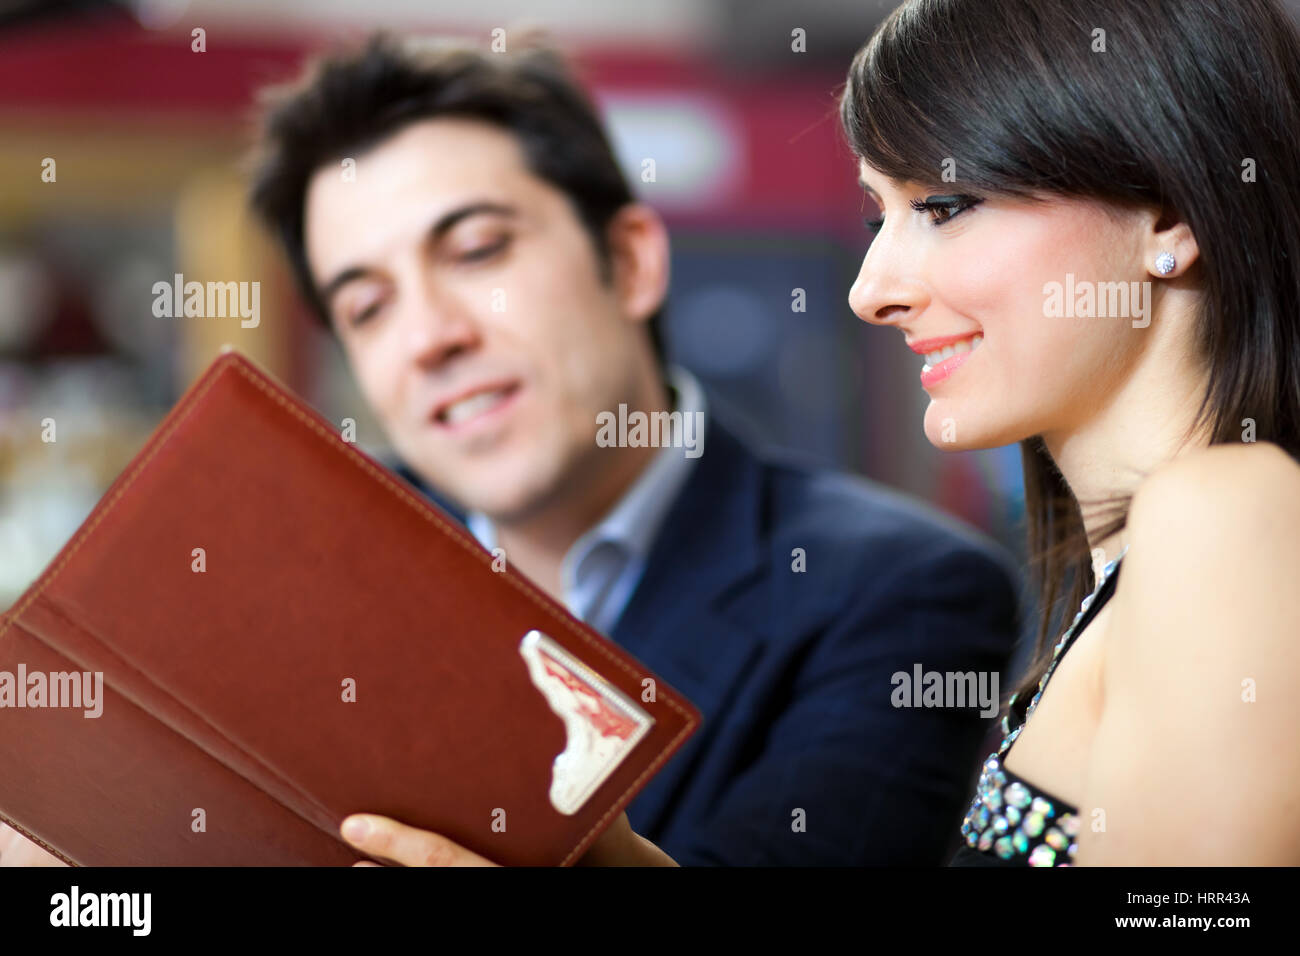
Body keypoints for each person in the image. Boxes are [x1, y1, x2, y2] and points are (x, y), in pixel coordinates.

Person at [323, 0, 1300, 868]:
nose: (873, 289)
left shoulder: (1219, 510)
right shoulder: (1134, 571)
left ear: (1168, 212)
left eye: (945, 208)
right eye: (878, 215)